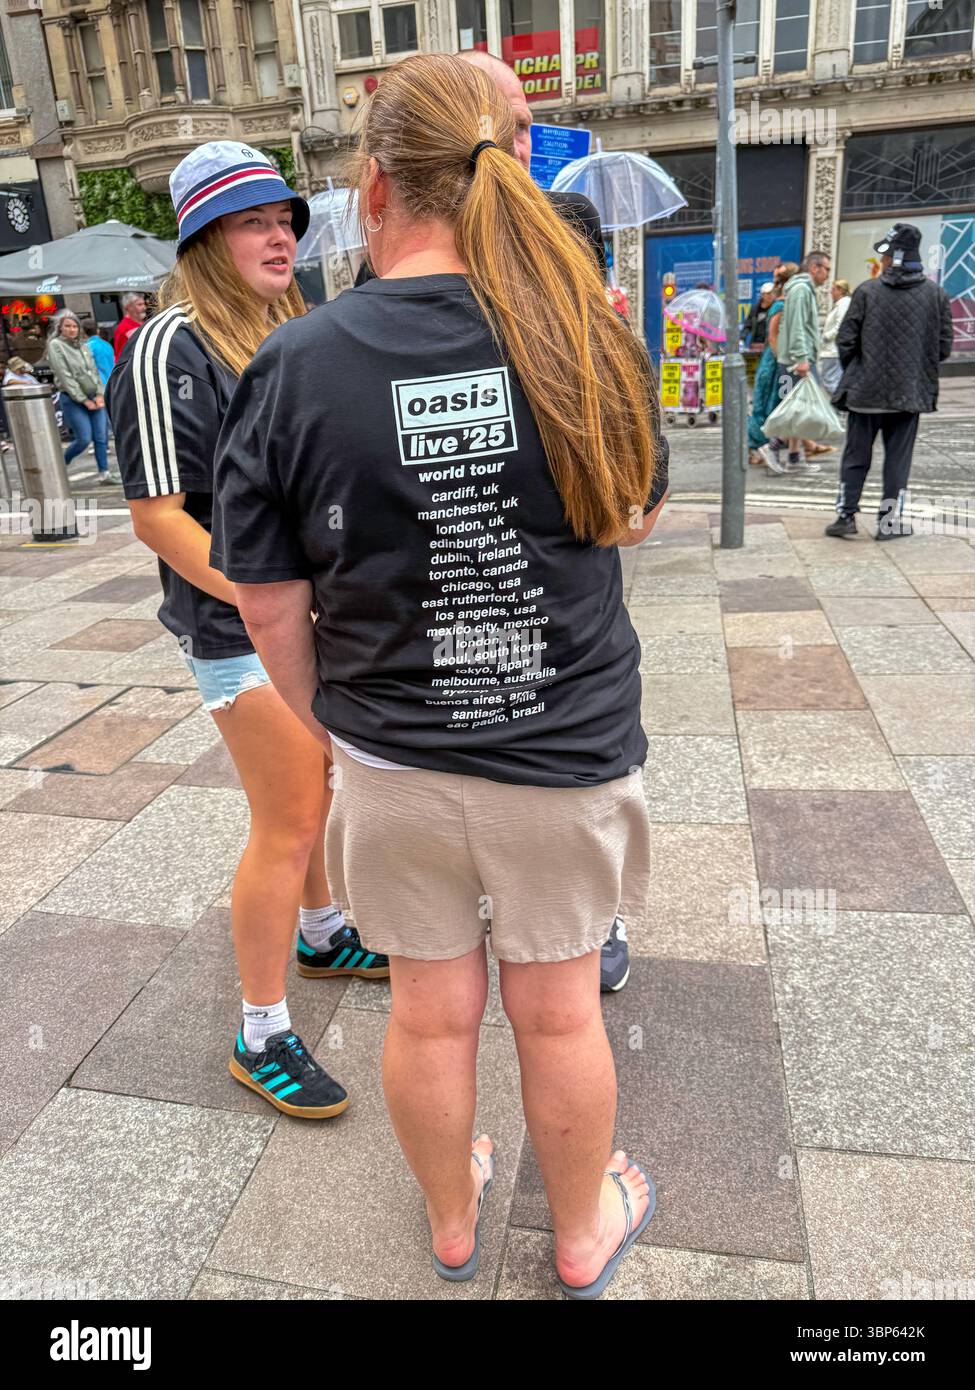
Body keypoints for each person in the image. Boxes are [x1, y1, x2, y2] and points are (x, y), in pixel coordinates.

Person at [211, 53, 667, 1298]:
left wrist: (334, 725)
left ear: (372, 189)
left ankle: (456, 1225)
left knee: (427, 1011)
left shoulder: (297, 362)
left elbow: (266, 597)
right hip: (562, 748)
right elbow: (632, 515)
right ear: (511, 172)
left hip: (395, 761)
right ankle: (582, 1237)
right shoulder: (583, 329)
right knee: (562, 1013)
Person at [106, 141, 390, 1121]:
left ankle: (320, 932)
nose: (279, 235)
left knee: (314, 793)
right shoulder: (165, 345)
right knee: (289, 817)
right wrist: (263, 595)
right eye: (252, 221)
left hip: (307, 615)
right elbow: (155, 512)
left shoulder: (288, 327)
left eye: (285, 219)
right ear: (202, 238)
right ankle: (259, 1031)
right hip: (237, 627)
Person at [826, 224, 953, 540]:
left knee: (856, 456)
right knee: (898, 461)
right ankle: (889, 522)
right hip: (908, 394)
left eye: (884, 255)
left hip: (865, 393)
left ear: (894, 257)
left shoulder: (867, 292)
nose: (880, 261)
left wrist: (858, 369)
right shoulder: (936, 295)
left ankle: (845, 516)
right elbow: (944, 347)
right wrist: (915, 368)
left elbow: (846, 340)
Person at [759, 249, 831, 475]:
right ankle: (771, 447)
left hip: (797, 360)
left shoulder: (802, 289)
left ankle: (793, 457)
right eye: (826, 269)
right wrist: (801, 358)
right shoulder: (801, 290)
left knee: (798, 409)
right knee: (795, 409)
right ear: (814, 268)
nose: (828, 274)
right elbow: (798, 326)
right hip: (796, 362)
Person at [46, 309, 119, 485]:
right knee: (84, 438)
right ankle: (60, 466)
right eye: (68, 326)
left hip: (94, 396)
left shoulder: (85, 347)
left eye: (74, 326)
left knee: (101, 438)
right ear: (60, 328)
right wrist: (83, 399)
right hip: (73, 399)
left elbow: (94, 372)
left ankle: (104, 473)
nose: (72, 330)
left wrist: (100, 395)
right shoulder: (56, 345)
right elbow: (65, 376)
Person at [748, 262, 794, 465]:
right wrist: (780, 358)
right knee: (764, 404)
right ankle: (755, 447)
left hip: (776, 360)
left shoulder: (783, 303)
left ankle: (772, 448)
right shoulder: (780, 305)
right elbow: (773, 336)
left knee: (773, 405)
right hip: (773, 361)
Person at [818, 278, 851, 394]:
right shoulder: (840, 305)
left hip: (832, 350)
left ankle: (840, 408)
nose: (830, 293)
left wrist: (826, 337)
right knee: (832, 381)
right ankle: (838, 409)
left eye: (833, 290)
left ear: (840, 290)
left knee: (829, 381)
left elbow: (840, 325)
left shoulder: (843, 304)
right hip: (831, 350)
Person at [113, 292, 147, 359]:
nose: (144, 307)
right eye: (139, 304)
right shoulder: (123, 328)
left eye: (144, 304)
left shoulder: (145, 323)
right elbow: (120, 357)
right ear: (128, 307)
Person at [743, 282, 774, 348]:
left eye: (773, 293)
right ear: (762, 295)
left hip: (771, 346)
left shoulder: (776, 308)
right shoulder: (755, 309)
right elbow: (747, 326)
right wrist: (742, 339)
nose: (771, 295)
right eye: (768, 293)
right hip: (755, 345)